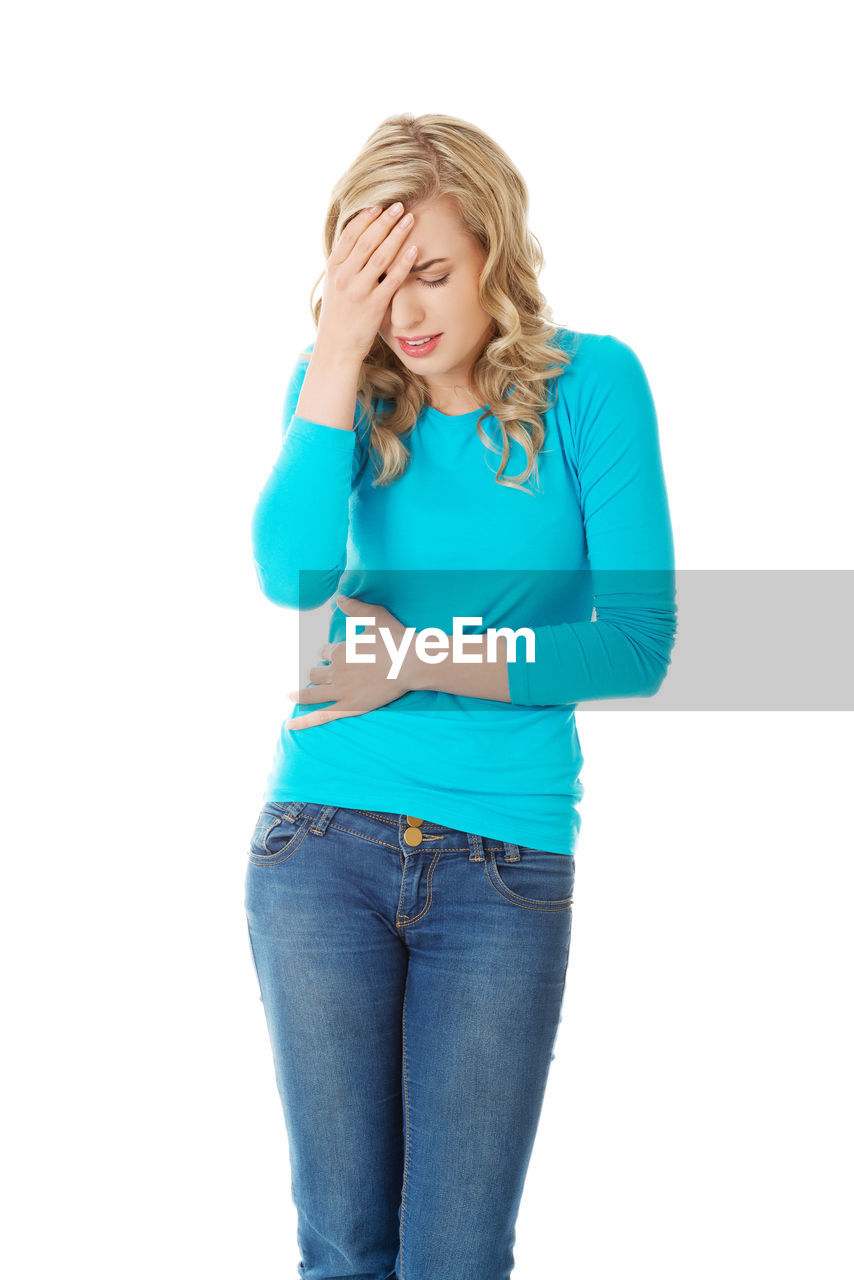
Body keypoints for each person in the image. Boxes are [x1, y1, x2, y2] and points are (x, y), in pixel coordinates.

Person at [245, 112, 677, 1280]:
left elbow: (635, 643)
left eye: (431, 271)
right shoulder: (341, 389)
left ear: (494, 247)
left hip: (503, 861)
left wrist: (420, 654)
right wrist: (332, 361)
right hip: (320, 840)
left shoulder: (592, 384)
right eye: (376, 284)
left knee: (456, 1257)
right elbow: (290, 574)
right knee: (343, 1252)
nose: (408, 312)